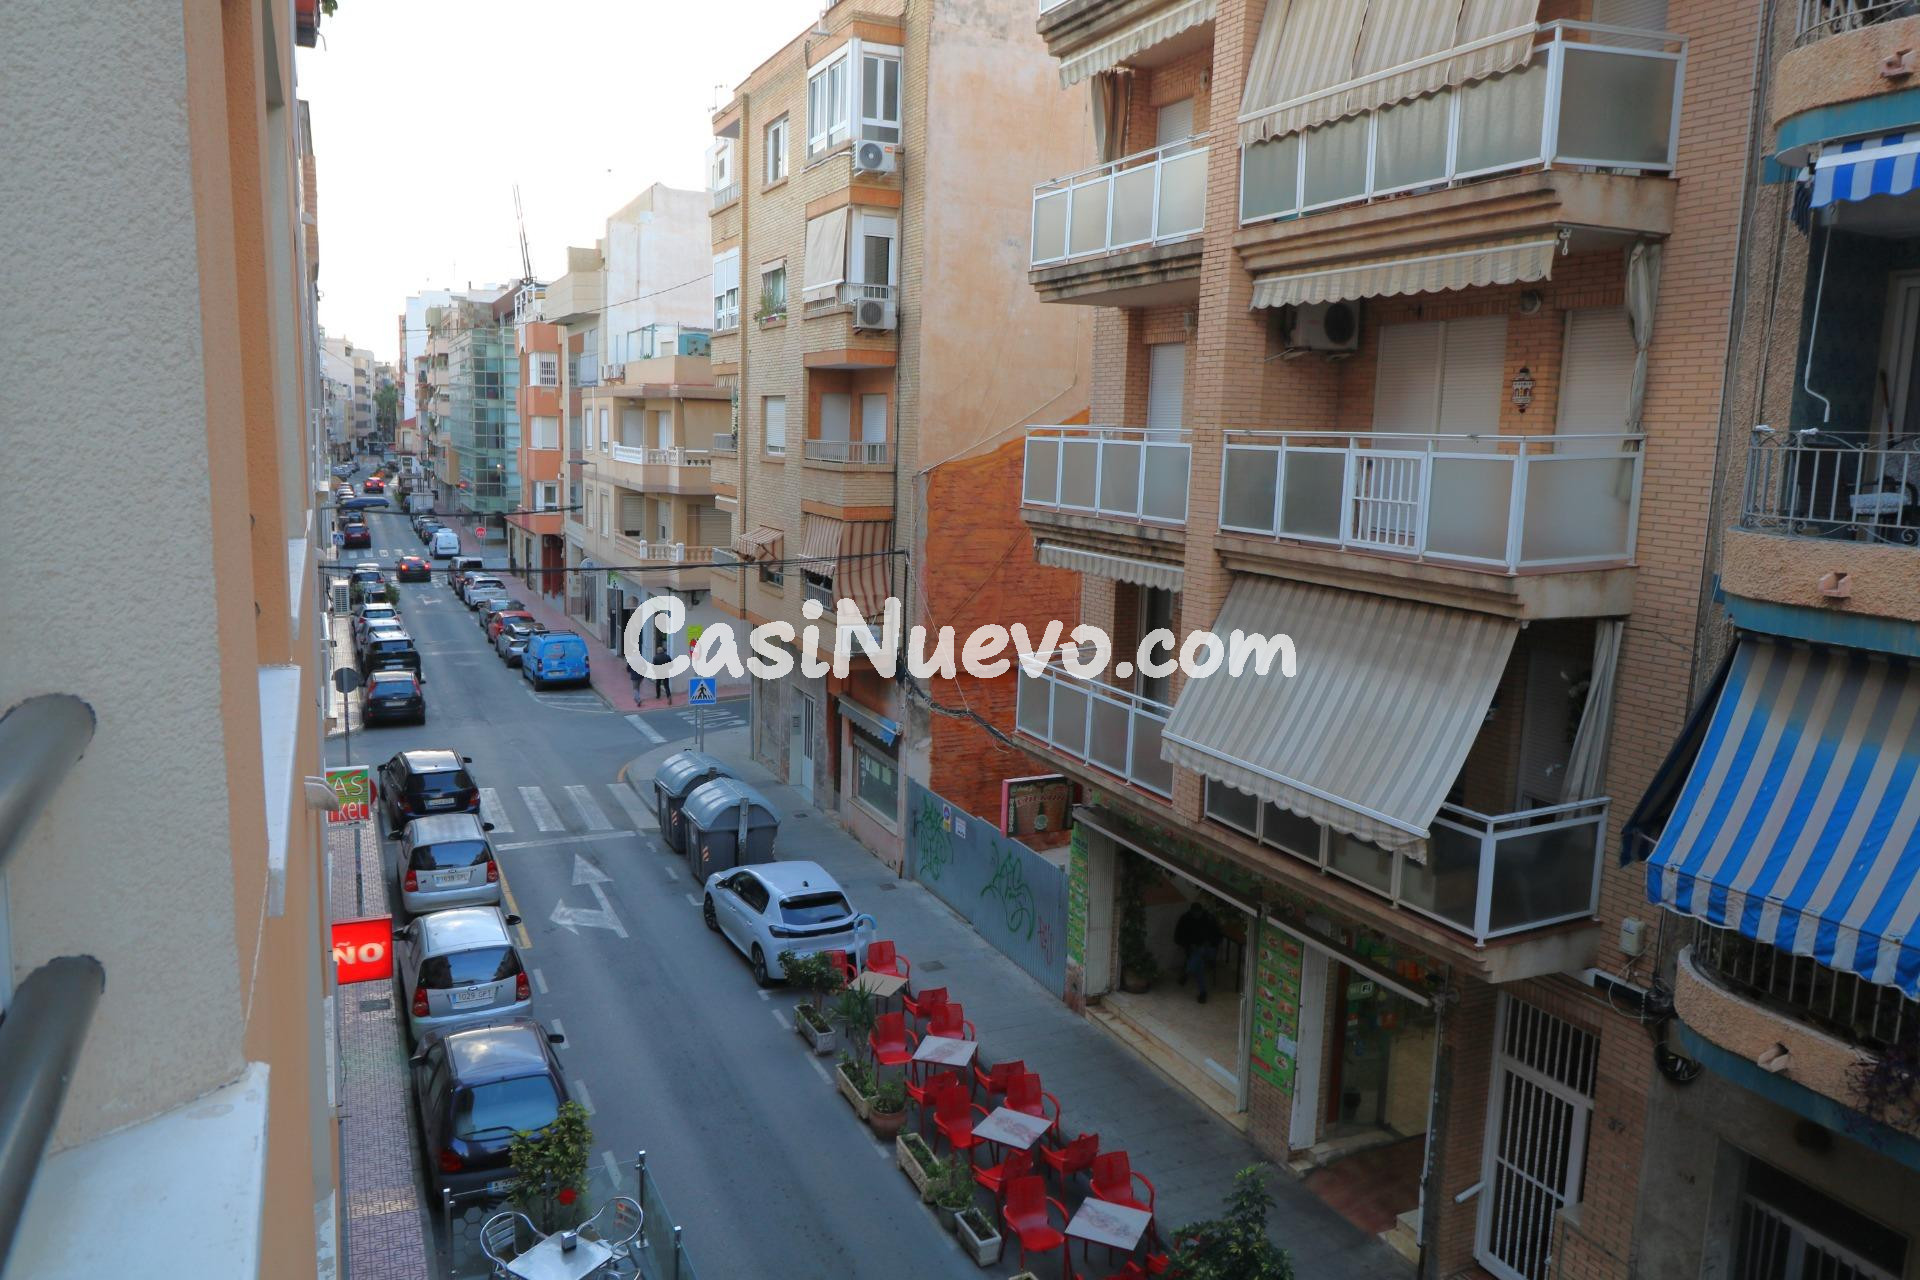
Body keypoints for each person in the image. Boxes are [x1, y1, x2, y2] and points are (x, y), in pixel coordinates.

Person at [1174, 901, 1224, 1004]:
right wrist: (1190, 944)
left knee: (1200, 953)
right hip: (1194, 950)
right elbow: (1178, 938)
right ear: (1191, 912)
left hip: (1209, 950)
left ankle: (1187, 972)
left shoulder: (1209, 919)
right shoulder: (1185, 919)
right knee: (1199, 964)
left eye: (1198, 913)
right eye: (1195, 913)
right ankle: (1202, 992)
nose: (1197, 915)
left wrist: (1209, 942)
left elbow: (1218, 936)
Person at [651, 637, 671, 702]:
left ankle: (658, 695)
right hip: (665, 672)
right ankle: (669, 696)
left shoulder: (655, 657)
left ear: (658, 651)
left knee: (658, 684)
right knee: (666, 685)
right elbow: (671, 665)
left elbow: (653, 666)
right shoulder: (667, 656)